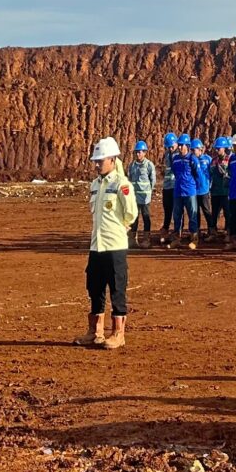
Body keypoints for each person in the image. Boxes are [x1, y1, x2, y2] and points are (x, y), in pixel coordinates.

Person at [85, 136, 137, 349]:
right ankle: (95, 331)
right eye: (96, 160)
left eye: (101, 160)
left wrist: (120, 228)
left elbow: (131, 213)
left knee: (117, 288)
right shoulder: (95, 185)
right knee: (94, 287)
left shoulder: (121, 184)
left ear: (113, 160)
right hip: (97, 246)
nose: (97, 164)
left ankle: (118, 333)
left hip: (114, 246)